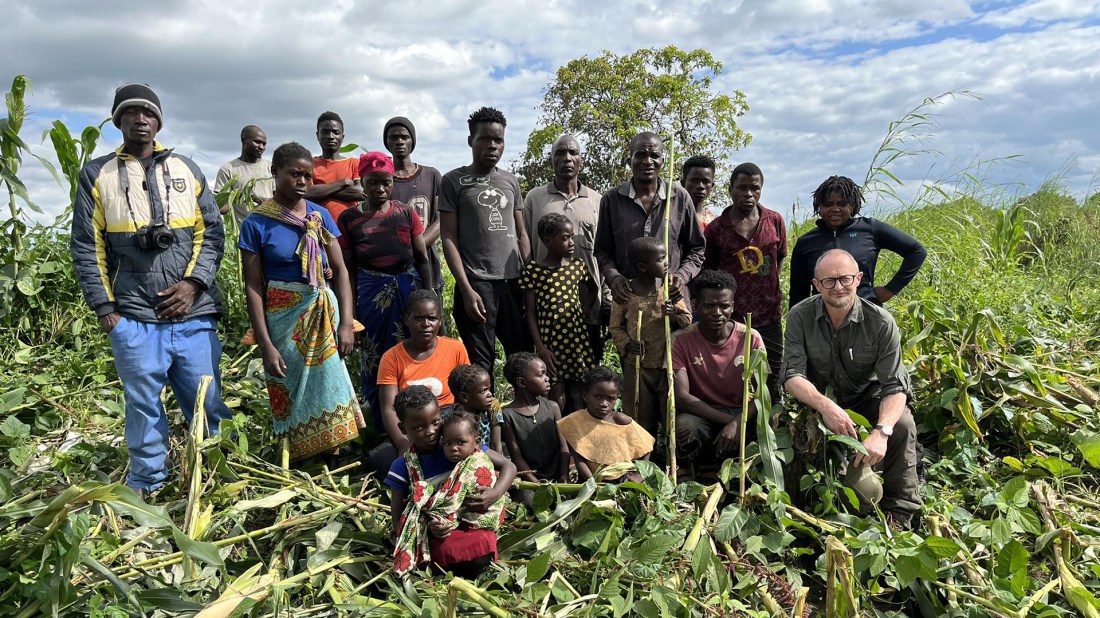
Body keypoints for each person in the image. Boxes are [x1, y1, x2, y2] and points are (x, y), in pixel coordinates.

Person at [70, 83, 232, 499]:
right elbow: (87, 248)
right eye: (131, 112)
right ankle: (148, 484)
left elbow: (211, 233)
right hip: (134, 318)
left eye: (149, 112)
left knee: (206, 401)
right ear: (118, 120)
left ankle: (216, 472)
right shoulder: (97, 174)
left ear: (159, 121)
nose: (141, 119)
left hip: (193, 314)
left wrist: (194, 284)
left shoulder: (186, 170)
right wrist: (107, 312)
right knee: (143, 407)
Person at [238, 142, 363, 463]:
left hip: (322, 311)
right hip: (282, 317)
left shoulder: (319, 216)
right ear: (274, 172)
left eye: (308, 176)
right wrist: (265, 344)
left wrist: (347, 323)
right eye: (294, 174)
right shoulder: (257, 223)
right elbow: (253, 286)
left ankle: (334, 455)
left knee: (328, 383)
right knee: (288, 387)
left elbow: (341, 272)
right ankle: (296, 458)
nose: (303, 181)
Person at [782, 249, 920, 529]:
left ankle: (900, 510)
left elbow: (894, 386)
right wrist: (825, 406)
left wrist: (882, 432)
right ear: (816, 284)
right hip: (820, 401)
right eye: (829, 281)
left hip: (868, 398)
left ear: (858, 279)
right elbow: (792, 375)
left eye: (845, 279)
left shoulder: (881, 322)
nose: (838, 287)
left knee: (902, 423)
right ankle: (804, 503)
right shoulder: (799, 316)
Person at [338, 151, 432, 427]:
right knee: (375, 355)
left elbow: (422, 259)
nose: (380, 189)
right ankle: (383, 425)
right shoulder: (349, 219)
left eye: (386, 182)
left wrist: (429, 297)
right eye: (373, 182)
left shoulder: (405, 213)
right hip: (371, 294)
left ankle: (417, 420)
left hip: (407, 290)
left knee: (412, 350)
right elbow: (348, 269)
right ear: (362, 182)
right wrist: (351, 314)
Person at [440, 107, 532, 380]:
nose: (492, 146)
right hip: (477, 285)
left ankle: (523, 420)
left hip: (514, 283)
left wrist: (530, 280)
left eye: (498, 140)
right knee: (481, 363)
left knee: (523, 358)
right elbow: (448, 237)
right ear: (471, 140)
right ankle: (486, 421)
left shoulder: (510, 181)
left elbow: (521, 234)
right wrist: (466, 289)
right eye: (484, 139)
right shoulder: (453, 181)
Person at [385, 387, 516, 577]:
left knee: (481, 543)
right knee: (446, 551)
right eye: (419, 428)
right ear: (403, 429)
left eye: (435, 422)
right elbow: (400, 521)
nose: (430, 431)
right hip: (439, 534)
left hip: (472, 523)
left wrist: (493, 495)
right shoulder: (404, 466)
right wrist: (429, 529)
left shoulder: (458, 443)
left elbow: (509, 467)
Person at [703, 163, 787, 399]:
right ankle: (738, 427)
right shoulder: (716, 230)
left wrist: (766, 290)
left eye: (755, 188)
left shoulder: (774, 221)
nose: (748, 194)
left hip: (769, 316)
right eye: (742, 187)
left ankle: (769, 430)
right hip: (732, 319)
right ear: (731, 189)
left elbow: (779, 259)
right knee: (736, 377)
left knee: (771, 377)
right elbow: (708, 271)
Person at [595, 132, 705, 312]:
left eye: (654, 155)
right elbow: (602, 250)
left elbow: (697, 249)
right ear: (630, 159)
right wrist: (613, 277)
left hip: (671, 304)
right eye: (640, 155)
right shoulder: (611, 199)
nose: (647, 161)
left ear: (662, 160)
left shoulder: (679, 197)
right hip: (629, 304)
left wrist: (681, 277)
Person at [672, 270, 765, 476]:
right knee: (685, 425)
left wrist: (739, 421)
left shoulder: (750, 338)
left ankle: (745, 472)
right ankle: (696, 467)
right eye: (709, 306)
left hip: (742, 412)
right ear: (695, 306)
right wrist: (729, 423)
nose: (717, 313)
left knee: (770, 422)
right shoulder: (680, 340)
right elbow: (681, 397)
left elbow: (762, 394)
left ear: (733, 306)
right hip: (702, 413)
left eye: (724, 306)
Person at [369, 290, 470, 477]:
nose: (426, 324)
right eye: (418, 318)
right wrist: (403, 445)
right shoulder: (391, 357)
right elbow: (389, 409)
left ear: (440, 320)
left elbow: (467, 395)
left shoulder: (455, 348)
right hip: (412, 428)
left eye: (432, 318)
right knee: (381, 459)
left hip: (446, 425)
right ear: (407, 319)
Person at [522, 134, 604, 362]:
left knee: (587, 371)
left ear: (581, 160)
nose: (566, 158)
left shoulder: (597, 200)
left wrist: (604, 299)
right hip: (548, 306)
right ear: (551, 160)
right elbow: (526, 242)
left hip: (587, 304)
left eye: (573, 153)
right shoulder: (535, 198)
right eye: (559, 153)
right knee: (551, 373)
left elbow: (603, 251)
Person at [789, 175, 926, 307]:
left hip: (865, 313)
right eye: (828, 204)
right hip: (821, 319)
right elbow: (798, 293)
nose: (835, 209)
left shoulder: (870, 229)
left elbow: (916, 251)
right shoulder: (806, 242)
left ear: (852, 206)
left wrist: (890, 289)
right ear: (819, 207)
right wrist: (796, 326)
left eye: (842, 204)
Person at [609, 237, 692, 434]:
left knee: (669, 413)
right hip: (637, 365)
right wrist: (628, 344)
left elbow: (687, 319)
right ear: (642, 266)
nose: (666, 263)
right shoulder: (625, 293)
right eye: (660, 259)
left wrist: (674, 315)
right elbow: (615, 327)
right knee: (638, 415)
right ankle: (644, 457)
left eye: (665, 257)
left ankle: (671, 457)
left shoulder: (669, 289)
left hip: (667, 364)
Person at [518, 213, 593, 412]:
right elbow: (531, 313)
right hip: (551, 344)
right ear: (548, 241)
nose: (571, 243)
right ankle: (557, 439)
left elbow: (592, 288)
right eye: (565, 238)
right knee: (557, 397)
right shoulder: (534, 271)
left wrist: (582, 313)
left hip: (577, 342)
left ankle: (577, 442)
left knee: (579, 394)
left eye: (572, 237)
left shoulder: (577, 266)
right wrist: (541, 348)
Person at [557, 367, 655, 482]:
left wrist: (639, 473)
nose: (604, 404)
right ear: (585, 396)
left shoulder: (620, 420)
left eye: (610, 399)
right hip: (592, 479)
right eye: (598, 397)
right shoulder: (575, 421)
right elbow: (580, 460)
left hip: (624, 478)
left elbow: (647, 445)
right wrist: (594, 485)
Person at [384, 117, 444, 299]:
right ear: (386, 142)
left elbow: (442, 220)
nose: (399, 142)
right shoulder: (382, 181)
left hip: (428, 268)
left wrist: (415, 247)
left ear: (413, 141)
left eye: (404, 137)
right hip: (391, 270)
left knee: (430, 324)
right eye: (393, 137)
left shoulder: (431, 176)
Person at [501, 352, 569, 485]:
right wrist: (537, 484)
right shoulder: (508, 415)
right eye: (541, 374)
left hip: (559, 476)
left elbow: (564, 448)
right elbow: (517, 458)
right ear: (521, 382)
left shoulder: (553, 407)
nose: (547, 378)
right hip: (530, 480)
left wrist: (564, 475)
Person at [307, 111, 363, 221]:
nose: (330, 136)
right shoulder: (309, 164)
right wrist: (344, 182)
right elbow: (307, 193)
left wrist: (321, 190)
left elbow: (360, 193)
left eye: (336, 132)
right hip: (318, 228)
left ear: (342, 137)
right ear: (317, 135)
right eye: (325, 132)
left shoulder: (354, 163)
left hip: (349, 228)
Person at [214, 125, 274, 226]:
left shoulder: (272, 168)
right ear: (243, 140)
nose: (261, 147)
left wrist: (254, 198)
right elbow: (223, 207)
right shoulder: (228, 169)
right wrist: (234, 196)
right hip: (242, 232)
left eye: (264, 144)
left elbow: (281, 203)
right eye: (257, 142)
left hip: (269, 228)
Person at [448, 364, 503, 453]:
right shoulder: (455, 420)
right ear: (464, 397)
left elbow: (496, 443)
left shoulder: (493, 406)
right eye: (483, 391)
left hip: (493, 460)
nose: (489, 394)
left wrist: (500, 464)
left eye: (489, 389)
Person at [680, 155, 717, 230]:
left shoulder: (715, 223)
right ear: (683, 183)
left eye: (706, 182)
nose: (700, 186)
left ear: (712, 186)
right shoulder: (669, 215)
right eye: (694, 181)